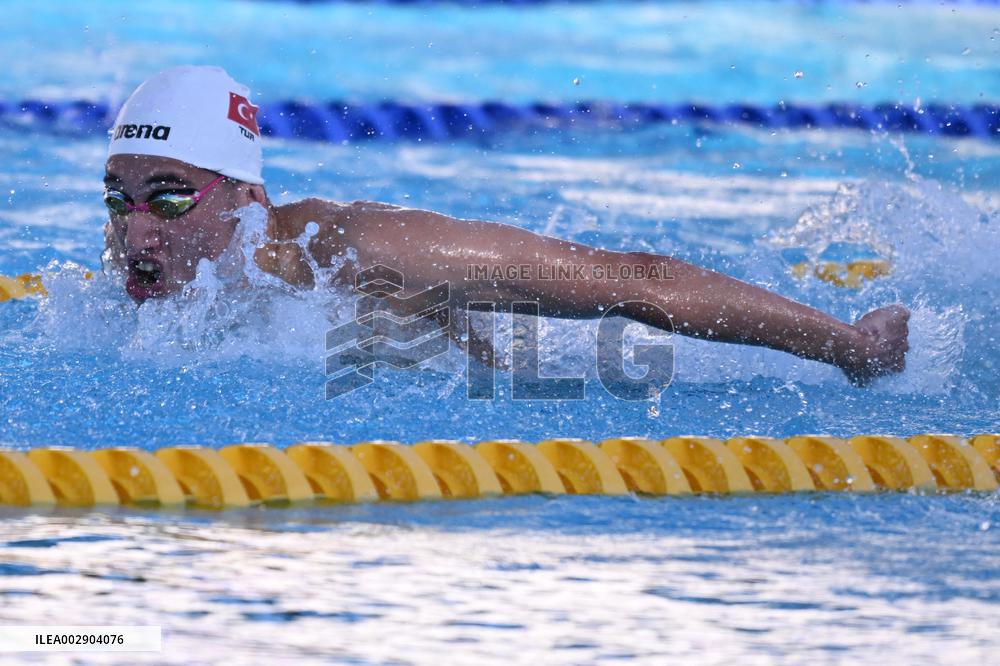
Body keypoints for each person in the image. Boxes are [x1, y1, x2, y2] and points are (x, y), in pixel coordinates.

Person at [102, 66, 908, 386]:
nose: (138, 236)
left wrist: (847, 347)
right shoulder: (134, 279)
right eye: (119, 200)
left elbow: (633, 281)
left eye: (170, 199)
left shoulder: (356, 253)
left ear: (245, 198)